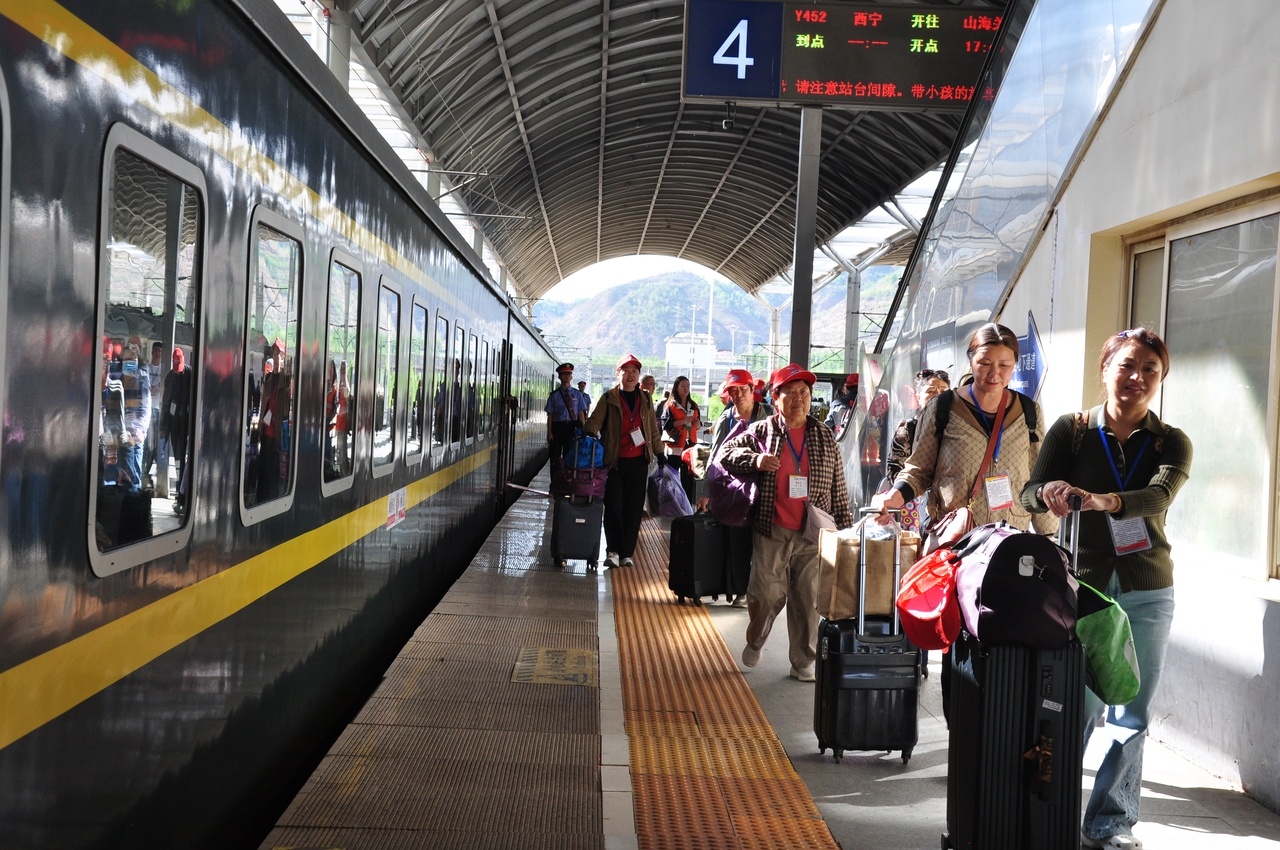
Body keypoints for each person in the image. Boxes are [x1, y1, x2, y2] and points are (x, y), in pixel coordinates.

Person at [1022, 328, 1191, 850]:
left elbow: (1159, 495)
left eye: (1150, 370)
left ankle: (1111, 823)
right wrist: (1048, 491)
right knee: (1077, 706)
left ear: (1160, 379)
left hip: (1148, 590)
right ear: (1105, 369)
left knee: (1131, 713)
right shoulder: (1071, 430)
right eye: (1127, 366)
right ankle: (1052, 815)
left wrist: (1106, 501)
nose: (1137, 377)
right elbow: (1029, 492)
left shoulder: (1171, 442)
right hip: (1083, 589)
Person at [871, 323, 1054, 710]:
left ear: (1014, 365)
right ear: (970, 361)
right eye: (985, 362)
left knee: (1004, 635)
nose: (994, 373)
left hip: (1011, 546)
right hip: (960, 546)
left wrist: (1050, 536)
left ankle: (997, 720)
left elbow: (1037, 479)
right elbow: (918, 470)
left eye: (1004, 364)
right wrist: (894, 497)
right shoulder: (943, 408)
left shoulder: (1029, 412)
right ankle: (963, 724)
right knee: (960, 640)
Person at [719, 363, 854, 682]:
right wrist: (755, 460)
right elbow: (726, 453)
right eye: (790, 393)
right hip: (773, 528)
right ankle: (756, 638)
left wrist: (845, 531)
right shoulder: (763, 431)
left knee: (807, 600)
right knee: (766, 593)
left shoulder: (823, 435)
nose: (799, 399)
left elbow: (838, 487)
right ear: (775, 398)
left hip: (813, 531)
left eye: (804, 392)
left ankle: (803, 660)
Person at [698, 368, 773, 607]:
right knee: (738, 540)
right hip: (736, 491)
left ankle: (762, 589)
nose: (738, 395)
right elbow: (714, 457)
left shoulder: (769, 416)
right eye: (733, 391)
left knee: (764, 542)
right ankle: (742, 590)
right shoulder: (726, 419)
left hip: (766, 488)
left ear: (752, 390)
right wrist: (705, 493)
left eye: (743, 389)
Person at [585, 353, 663, 568]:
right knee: (613, 507)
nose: (630, 375)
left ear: (639, 375)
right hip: (614, 462)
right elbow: (595, 421)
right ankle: (612, 551)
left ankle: (627, 552)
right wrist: (589, 432)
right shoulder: (609, 398)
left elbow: (652, 429)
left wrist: (660, 452)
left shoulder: (645, 399)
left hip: (639, 462)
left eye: (634, 371)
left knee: (634, 508)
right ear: (617, 373)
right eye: (625, 371)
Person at [659, 375, 702, 505]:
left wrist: (697, 424)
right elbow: (665, 425)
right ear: (676, 388)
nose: (686, 388)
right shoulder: (670, 405)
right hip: (675, 446)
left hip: (690, 445)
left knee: (688, 477)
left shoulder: (693, 405)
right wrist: (683, 421)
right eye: (682, 386)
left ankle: (687, 505)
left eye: (688, 386)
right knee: (672, 477)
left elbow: (699, 423)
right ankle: (672, 504)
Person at [161, 347, 194, 510]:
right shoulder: (170, 378)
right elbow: (166, 404)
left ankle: (183, 497)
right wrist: (163, 428)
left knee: (187, 460)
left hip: (188, 424)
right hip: (175, 425)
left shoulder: (190, 374)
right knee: (179, 461)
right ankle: (180, 496)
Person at [118, 343, 151, 493]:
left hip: (136, 433)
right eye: (126, 359)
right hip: (122, 432)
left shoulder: (142, 379)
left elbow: (145, 406)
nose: (128, 362)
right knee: (125, 475)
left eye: (131, 359)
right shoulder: (119, 379)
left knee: (134, 475)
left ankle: (133, 498)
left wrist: (141, 429)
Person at [545, 362, 588, 458]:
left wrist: (583, 429)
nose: (567, 376)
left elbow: (580, 412)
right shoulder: (554, 395)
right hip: (557, 427)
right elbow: (550, 415)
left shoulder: (577, 394)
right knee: (555, 455)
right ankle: (555, 468)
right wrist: (549, 432)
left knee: (569, 456)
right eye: (564, 374)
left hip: (572, 427)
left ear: (571, 377)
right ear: (559, 377)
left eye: (569, 374)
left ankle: (566, 468)